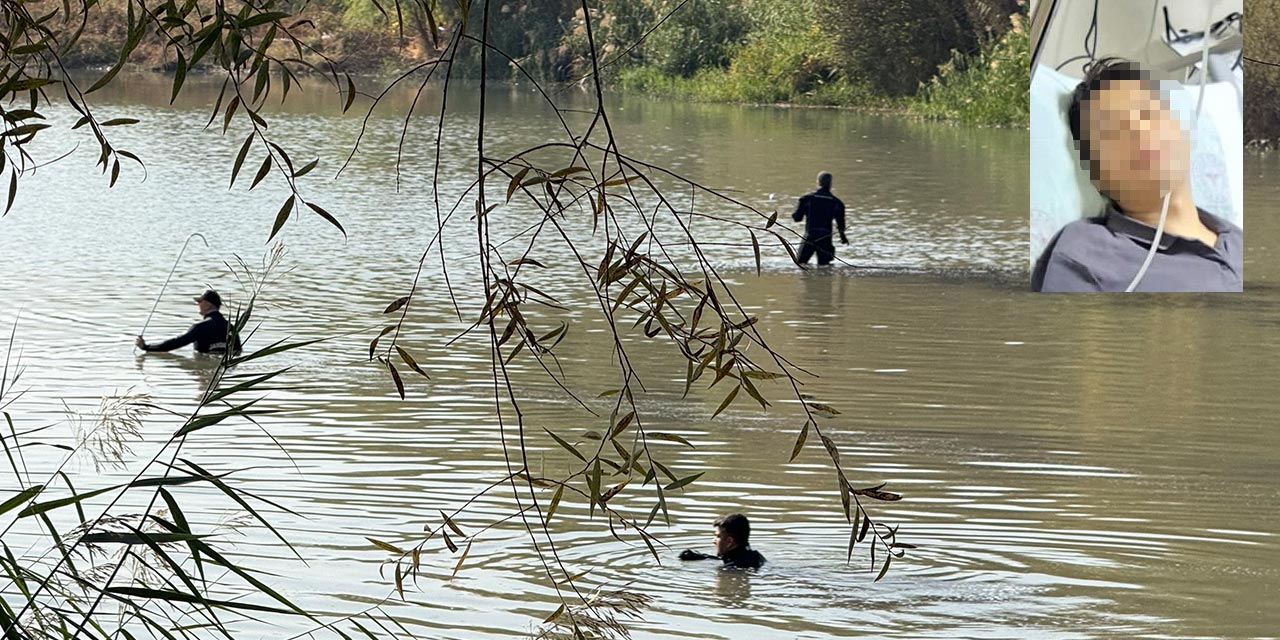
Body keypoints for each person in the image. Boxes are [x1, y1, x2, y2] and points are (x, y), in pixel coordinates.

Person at [1033, 57, 1242, 292]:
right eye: (1113, 131)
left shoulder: (1240, 241)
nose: (1139, 131)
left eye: (1149, 112)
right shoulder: (1086, 254)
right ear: (1096, 177)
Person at [136, 289, 241, 354]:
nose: (198, 304)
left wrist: (146, 347)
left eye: (200, 301)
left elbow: (174, 344)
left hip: (203, 363)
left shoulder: (200, 327)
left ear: (208, 304)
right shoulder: (231, 327)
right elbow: (238, 351)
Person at [791, 171, 848, 267]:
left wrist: (794, 213)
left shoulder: (807, 199)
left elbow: (797, 218)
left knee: (801, 265)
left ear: (818, 182)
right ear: (830, 184)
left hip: (810, 236)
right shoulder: (837, 203)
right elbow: (841, 224)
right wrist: (843, 237)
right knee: (825, 268)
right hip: (826, 238)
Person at [678, 513, 765, 569]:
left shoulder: (732, 568)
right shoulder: (755, 557)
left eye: (718, 536)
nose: (713, 541)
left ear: (729, 542)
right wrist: (702, 557)